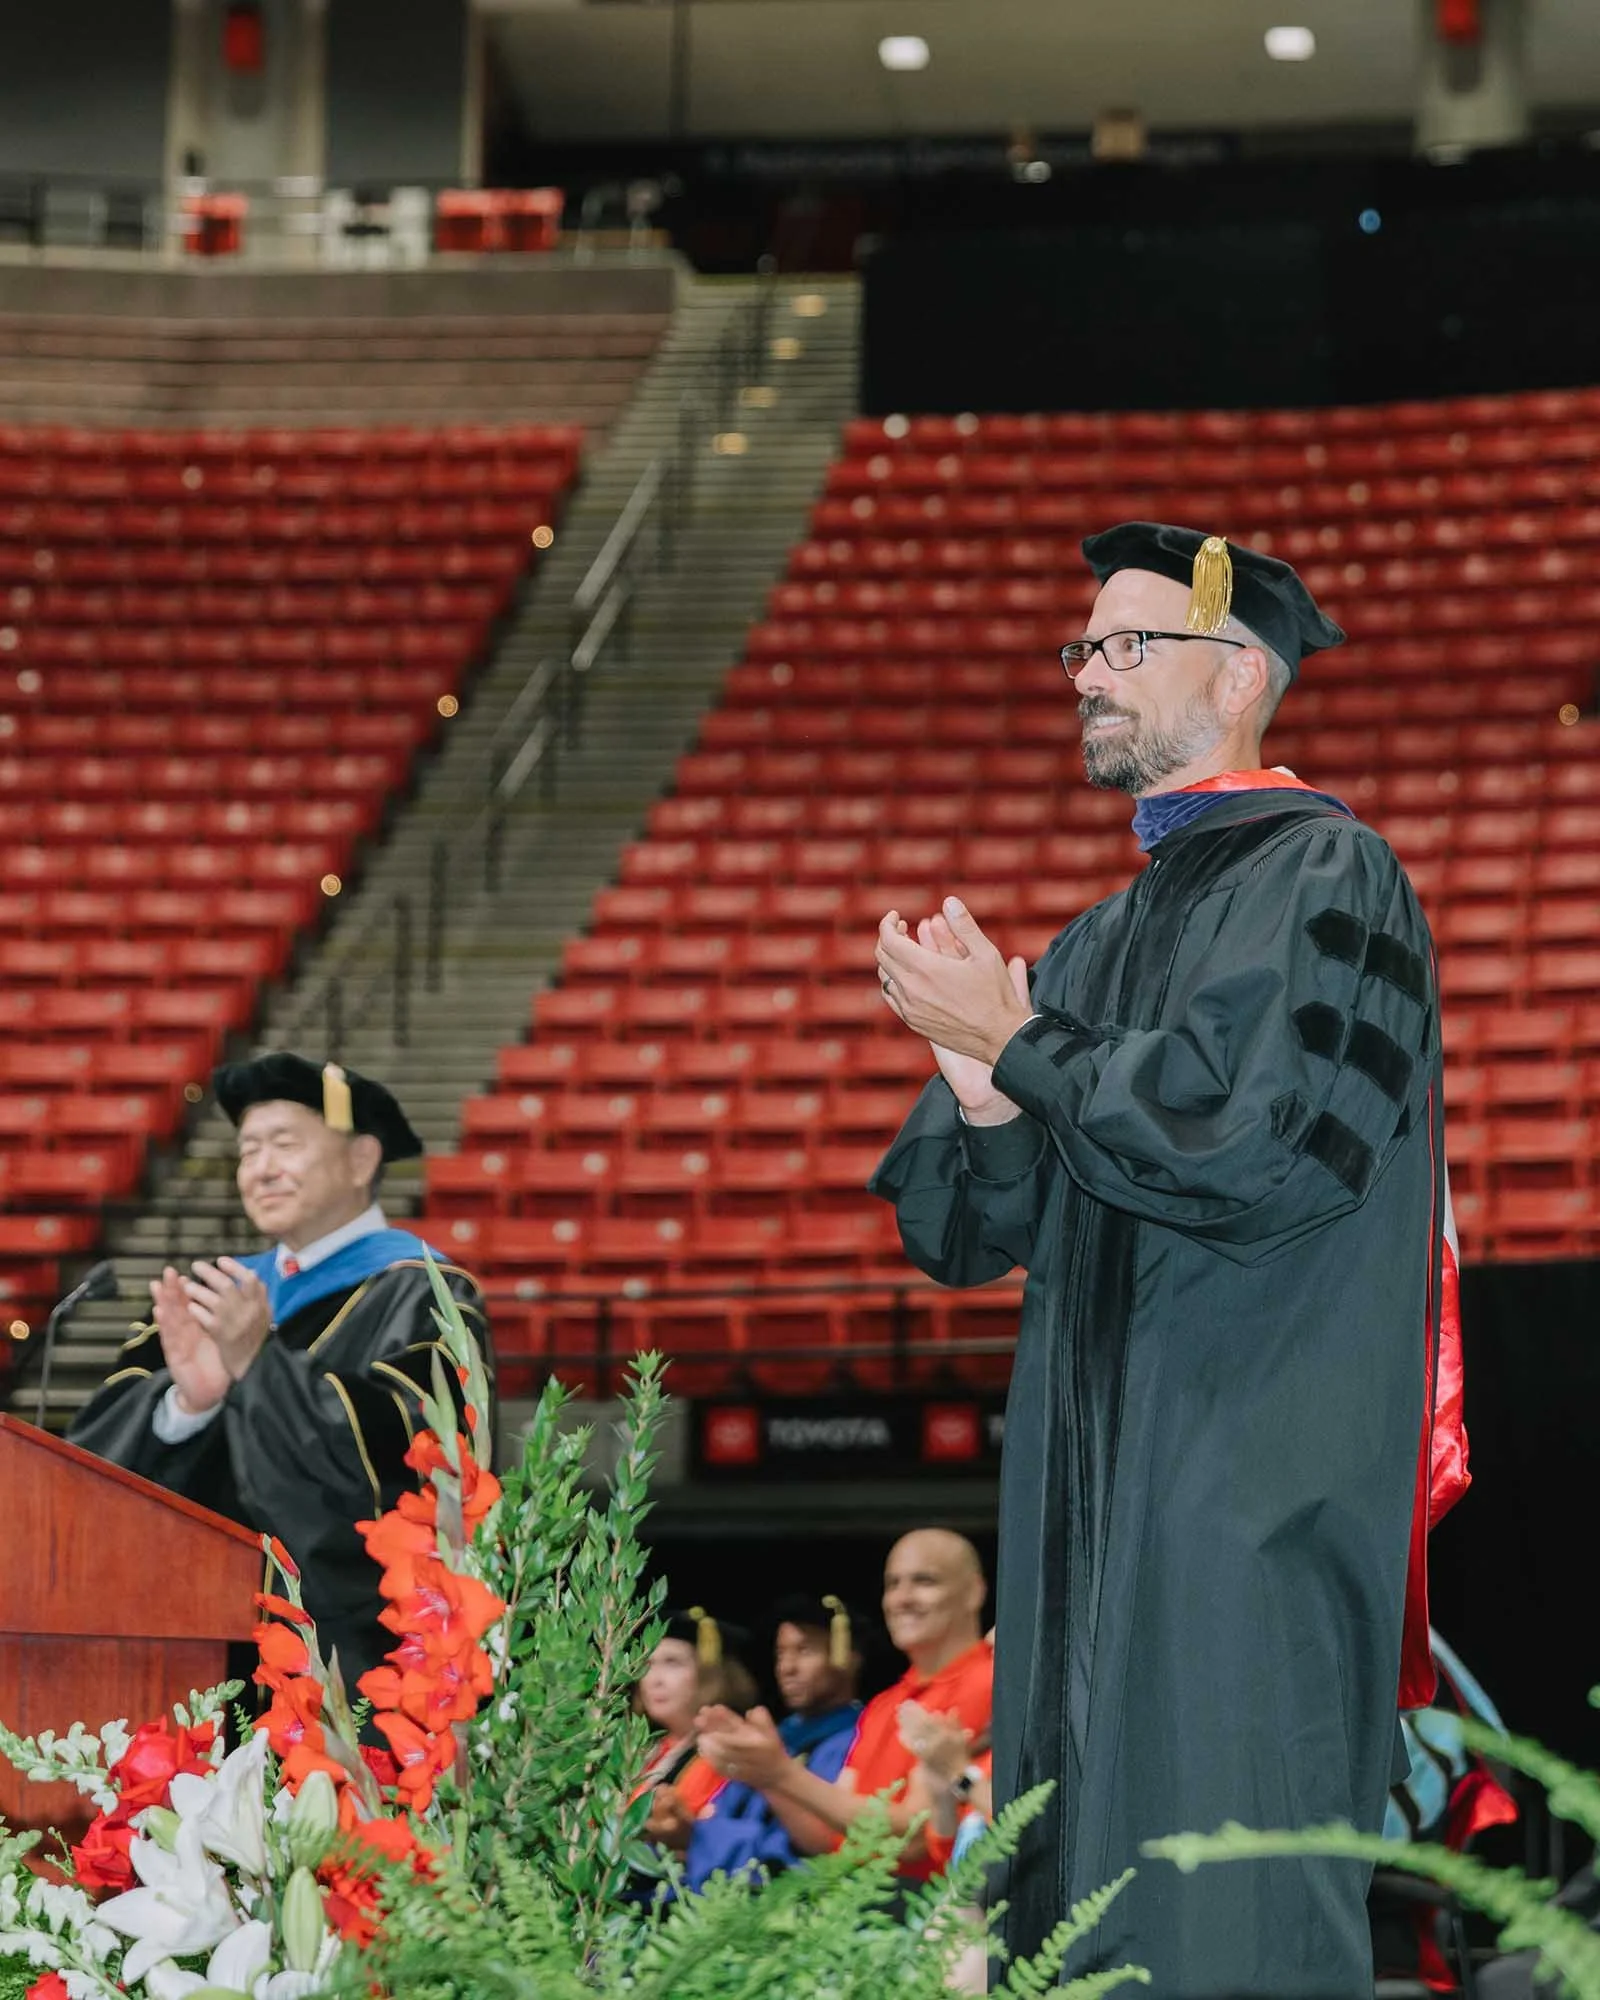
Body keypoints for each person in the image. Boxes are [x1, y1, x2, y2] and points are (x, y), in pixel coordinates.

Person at [869, 524, 1469, 1998]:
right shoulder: (1084, 947)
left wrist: (1023, 1043)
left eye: (1130, 646)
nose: (1092, 676)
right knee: (1073, 1910)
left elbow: (1258, 1147)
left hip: (1246, 1490)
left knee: (1225, 1901)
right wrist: (982, 1092)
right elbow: (960, 1233)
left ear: (1243, 673)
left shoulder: (1337, 879)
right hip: (1085, 1503)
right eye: (1085, 651)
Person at [70, 1052, 493, 1690]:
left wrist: (258, 1367)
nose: (261, 1169)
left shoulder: (424, 1293)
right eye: (247, 1151)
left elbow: (416, 1458)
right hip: (190, 1663)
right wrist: (190, 1407)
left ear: (360, 1159)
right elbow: (92, 1467)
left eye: (284, 1145)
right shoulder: (213, 1301)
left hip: (353, 1668)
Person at [696, 1530, 992, 1882]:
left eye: (924, 1581)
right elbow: (829, 1837)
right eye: (892, 1584)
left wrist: (781, 1772)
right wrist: (765, 1776)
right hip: (863, 1908)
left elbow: (913, 1837)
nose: (902, 1598)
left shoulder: (987, 1680)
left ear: (974, 1591)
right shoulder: (884, 1704)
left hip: (929, 1911)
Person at [683, 1593, 864, 1890]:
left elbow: (823, 1844)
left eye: (804, 1651)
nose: (787, 1667)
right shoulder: (780, 1735)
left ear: (848, 1657)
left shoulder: (857, 1737)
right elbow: (713, 1818)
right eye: (781, 1654)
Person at [635, 1610, 759, 1856]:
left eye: (672, 1663)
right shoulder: (647, 1750)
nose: (654, 1679)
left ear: (709, 1673)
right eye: (648, 1664)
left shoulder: (732, 1749)